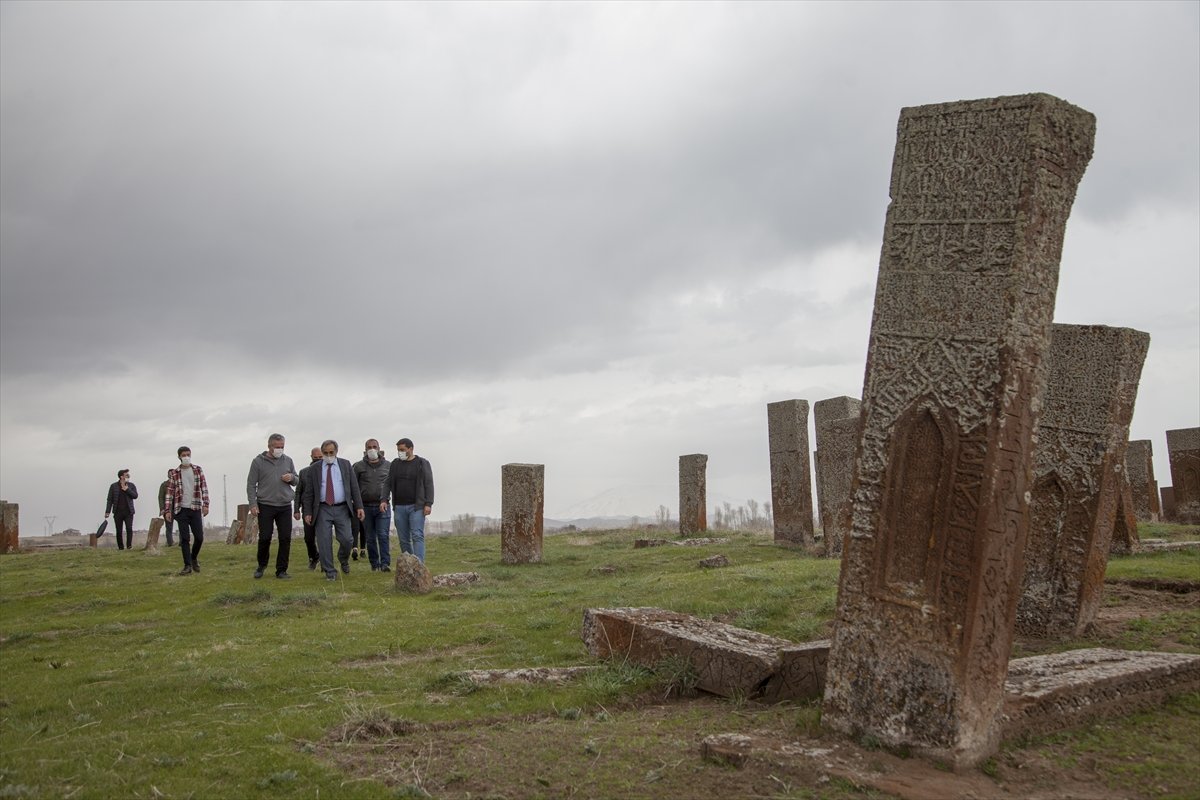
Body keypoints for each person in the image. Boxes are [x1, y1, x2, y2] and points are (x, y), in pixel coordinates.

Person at [302, 439, 365, 581]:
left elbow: (354, 487)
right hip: (323, 508)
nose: (328, 455)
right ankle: (330, 572)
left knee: (348, 539)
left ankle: (343, 558)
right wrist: (307, 512)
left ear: (336, 452)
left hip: (342, 507)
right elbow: (309, 493)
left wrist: (359, 507)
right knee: (324, 541)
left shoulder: (345, 464)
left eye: (331, 452)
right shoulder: (315, 469)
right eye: (325, 453)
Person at [247, 433, 299, 580]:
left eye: (282, 447)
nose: (280, 449)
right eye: (277, 447)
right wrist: (253, 504)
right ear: (269, 446)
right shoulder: (258, 462)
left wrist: (292, 478)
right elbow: (251, 484)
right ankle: (261, 566)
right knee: (264, 537)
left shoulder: (288, 461)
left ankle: (281, 570)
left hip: (284, 505)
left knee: (285, 538)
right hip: (266, 505)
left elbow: (297, 480)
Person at [381, 437, 434, 563]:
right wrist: (384, 499)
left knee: (417, 535)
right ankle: (409, 564)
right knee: (403, 539)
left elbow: (429, 484)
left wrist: (428, 503)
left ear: (411, 449)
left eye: (403, 450)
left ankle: (419, 565)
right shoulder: (395, 464)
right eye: (398, 450)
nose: (400, 452)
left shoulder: (422, 463)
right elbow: (387, 483)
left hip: (417, 507)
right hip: (399, 507)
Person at [163, 446, 210, 575]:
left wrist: (206, 504)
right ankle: (187, 565)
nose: (186, 457)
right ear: (179, 457)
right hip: (181, 509)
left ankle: (193, 557)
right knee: (184, 539)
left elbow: (204, 488)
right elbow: (169, 493)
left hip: (195, 508)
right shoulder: (175, 473)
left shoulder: (197, 470)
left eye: (188, 454)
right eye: (184, 455)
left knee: (199, 537)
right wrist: (167, 510)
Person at [353, 438, 391, 572]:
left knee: (383, 535)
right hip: (365, 507)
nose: (372, 449)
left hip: (383, 506)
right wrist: (358, 506)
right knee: (370, 537)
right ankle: (374, 564)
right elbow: (354, 486)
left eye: (374, 446)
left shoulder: (388, 465)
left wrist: (386, 499)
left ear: (379, 449)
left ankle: (385, 563)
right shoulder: (358, 466)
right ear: (365, 450)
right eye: (369, 447)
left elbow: (392, 485)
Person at [293, 447, 322, 570]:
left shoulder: (327, 472)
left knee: (322, 536)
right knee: (309, 537)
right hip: (308, 510)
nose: (318, 460)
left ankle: (325, 561)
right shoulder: (304, 472)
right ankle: (314, 557)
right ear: (311, 457)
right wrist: (296, 509)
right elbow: (298, 492)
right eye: (316, 458)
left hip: (322, 508)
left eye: (320, 458)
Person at [104, 469, 138, 550]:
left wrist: (127, 489)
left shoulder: (131, 485)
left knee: (129, 529)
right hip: (117, 512)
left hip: (129, 512)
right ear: (121, 477)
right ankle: (121, 548)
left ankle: (129, 546)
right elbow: (110, 500)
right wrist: (107, 511)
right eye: (126, 475)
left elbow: (135, 496)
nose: (128, 476)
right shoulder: (113, 486)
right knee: (119, 530)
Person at [157, 478, 175, 547]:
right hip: (168, 509)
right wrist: (162, 508)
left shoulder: (178, 484)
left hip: (177, 508)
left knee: (182, 525)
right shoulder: (164, 485)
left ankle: (182, 542)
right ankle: (170, 543)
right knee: (169, 527)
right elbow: (160, 497)